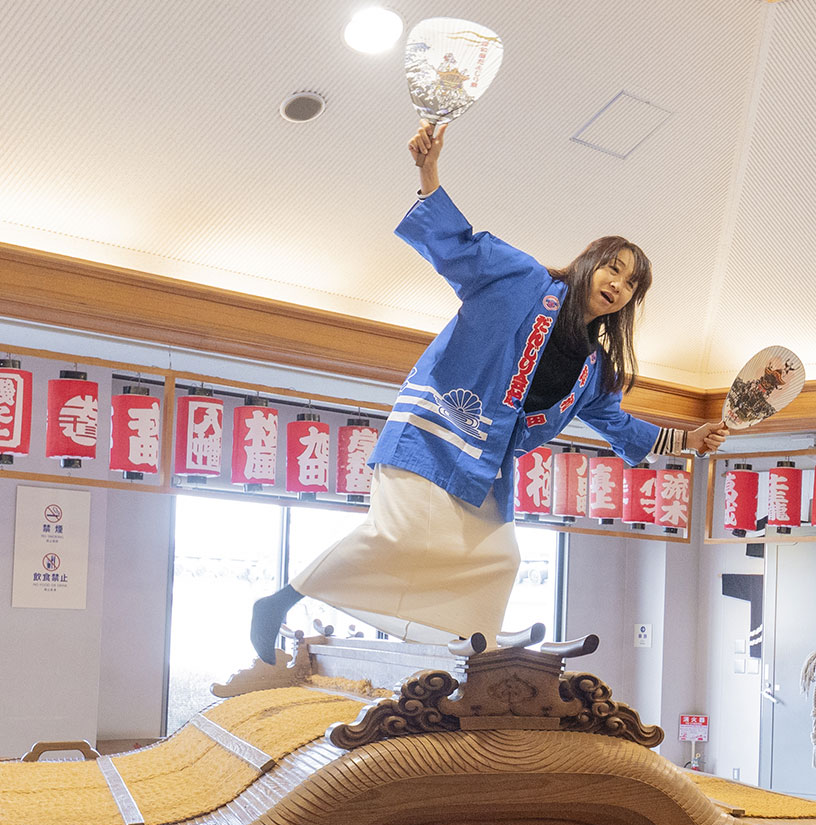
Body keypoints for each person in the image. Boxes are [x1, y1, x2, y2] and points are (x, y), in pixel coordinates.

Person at [250, 122, 728, 663]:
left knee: (498, 557)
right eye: (613, 269)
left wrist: (688, 439)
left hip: (486, 466)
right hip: (432, 434)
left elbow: (618, 425)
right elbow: (458, 246)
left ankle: (472, 645)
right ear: (589, 263)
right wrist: (429, 171)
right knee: (399, 536)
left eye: (630, 285)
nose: (617, 285)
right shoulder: (521, 278)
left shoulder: (594, 368)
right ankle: (279, 603)